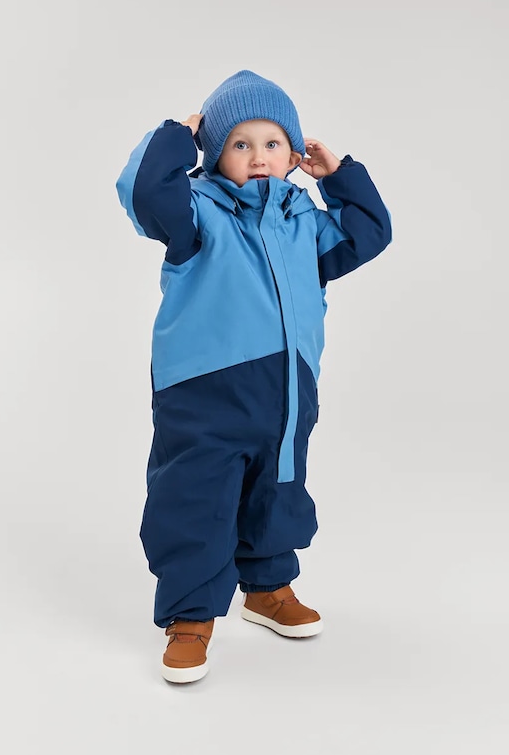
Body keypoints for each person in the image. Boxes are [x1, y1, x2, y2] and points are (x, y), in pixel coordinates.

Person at [116, 70, 392, 684]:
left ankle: (267, 588)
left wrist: (340, 177)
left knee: (277, 489)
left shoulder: (305, 223)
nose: (258, 156)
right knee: (196, 499)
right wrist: (176, 135)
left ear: (294, 156)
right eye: (240, 144)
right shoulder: (196, 215)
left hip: (287, 392)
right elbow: (144, 192)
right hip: (204, 394)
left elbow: (370, 232)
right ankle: (190, 616)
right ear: (215, 154)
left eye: (272, 143)